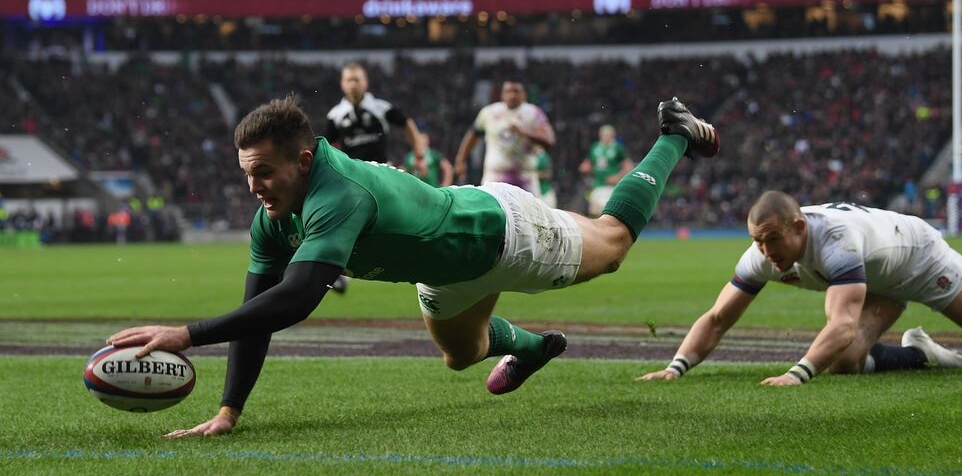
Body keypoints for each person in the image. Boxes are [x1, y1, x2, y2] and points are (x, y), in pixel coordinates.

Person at [107, 94, 719, 437]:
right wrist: (227, 412)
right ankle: (531, 348)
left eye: (263, 172)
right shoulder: (275, 214)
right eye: (246, 174)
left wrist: (187, 335)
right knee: (461, 354)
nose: (254, 188)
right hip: (444, 267)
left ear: (302, 157)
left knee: (611, 243)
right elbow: (256, 313)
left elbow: (295, 300)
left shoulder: (338, 192)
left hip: (498, 233)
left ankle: (673, 132)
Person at [638, 191, 962, 386]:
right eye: (757, 241)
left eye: (772, 239)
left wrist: (797, 374)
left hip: (919, 260)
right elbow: (718, 317)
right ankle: (920, 354)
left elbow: (841, 324)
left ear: (799, 227)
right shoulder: (761, 254)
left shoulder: (836, 241)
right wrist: (676, 368)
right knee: (843, 361)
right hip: (874, 278)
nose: (765, 251)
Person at [323, 62, 427, 293]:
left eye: (357, 79)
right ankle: (341, 273)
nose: (353, 84)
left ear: (365, 82)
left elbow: (407, 123)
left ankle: (420, 259)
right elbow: (328, 148)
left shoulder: (380, 107)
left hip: (381, 173)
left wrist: (419, 155)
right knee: (350, 226)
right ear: (342, 84)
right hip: (352, 178)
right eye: (349, 79)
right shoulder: (335, 115)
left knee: (395, 218)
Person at [453, 79, 554, 197]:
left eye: (516, 91)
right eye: (508, 91)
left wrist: (524, 132)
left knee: (532, 214)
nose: (512, 95)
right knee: (490, 212)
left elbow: (549, 140)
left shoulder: (534, 113)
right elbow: (473, 134)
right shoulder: (489, 112)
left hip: (525, 177)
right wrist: (460, 159)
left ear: (524, 94)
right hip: (495, 176)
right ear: (502, 94)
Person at [579, 125, 634, 217]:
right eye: (604, 135)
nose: (606, 137)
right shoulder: (594, 147)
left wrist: (618, 177)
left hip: (612, 187)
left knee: (609, 214)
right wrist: (585, 167)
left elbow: (629, 166)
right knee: (595, 214)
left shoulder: (617, 148)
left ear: (613, 136)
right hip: (598, 185)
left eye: (608, 135)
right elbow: (587, 163)